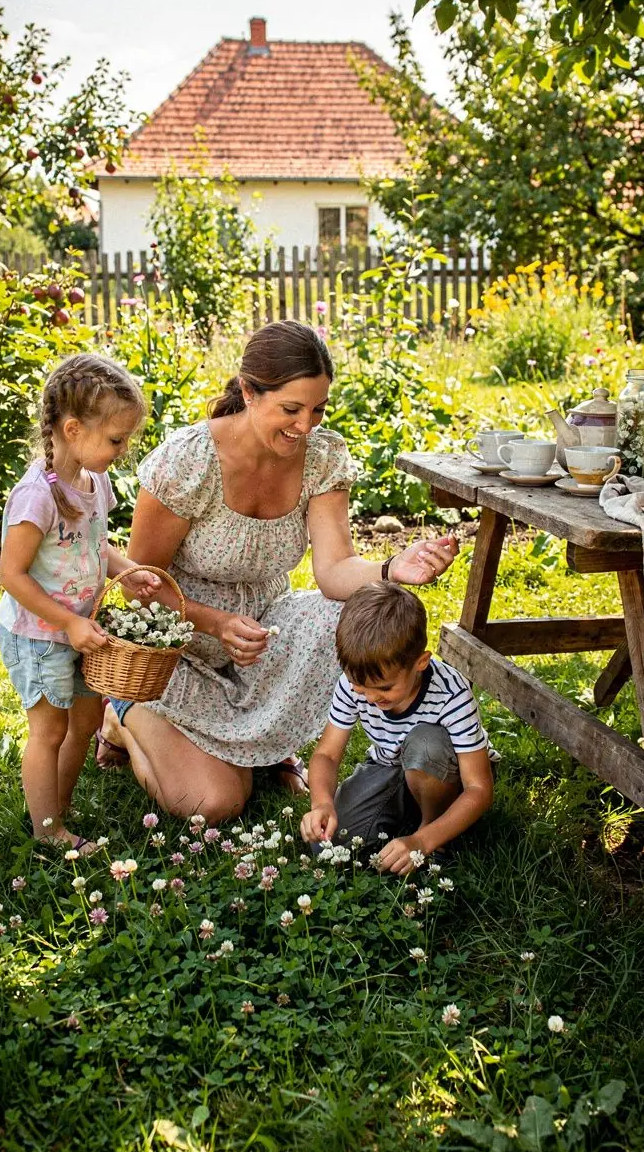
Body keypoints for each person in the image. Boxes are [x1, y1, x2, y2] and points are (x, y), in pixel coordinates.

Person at [99, 320, 459, 824]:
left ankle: (260, 745)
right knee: (216, 803)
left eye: (317, 410)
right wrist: (214, 623)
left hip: (261, 639)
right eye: (291, 409)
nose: (305, 426)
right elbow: (141, 585)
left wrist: (393, 565)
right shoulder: (190, 462)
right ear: (249, 392)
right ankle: (120, 719)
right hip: (178, 649)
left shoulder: (321, 458)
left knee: (344, 614)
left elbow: (334, 572)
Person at [0, 354, 160, 852]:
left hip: (80, 628)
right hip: (41, 633)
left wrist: (127, 570)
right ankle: (49, 833)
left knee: (86, 720)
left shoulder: (94, 480)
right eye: (116, 439)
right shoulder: (37, 497)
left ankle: (59, 807)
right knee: (49, 729)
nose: (124, 449)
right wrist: (66, 621)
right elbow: (12, 575)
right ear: (72, 429)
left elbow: (94, 545)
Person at [300, 582, 496, 872]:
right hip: (391, 766)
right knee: (329, 843)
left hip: (448, 771)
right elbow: (327, 755)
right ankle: (406, 818)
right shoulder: (356, 685)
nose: (370, 697)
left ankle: (432, 835)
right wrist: (322, 805)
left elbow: (479, 789)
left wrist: (422, 841)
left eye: (384, 688)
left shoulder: (451, 694)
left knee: (426, 743)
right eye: (359, 687)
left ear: (420, 662)